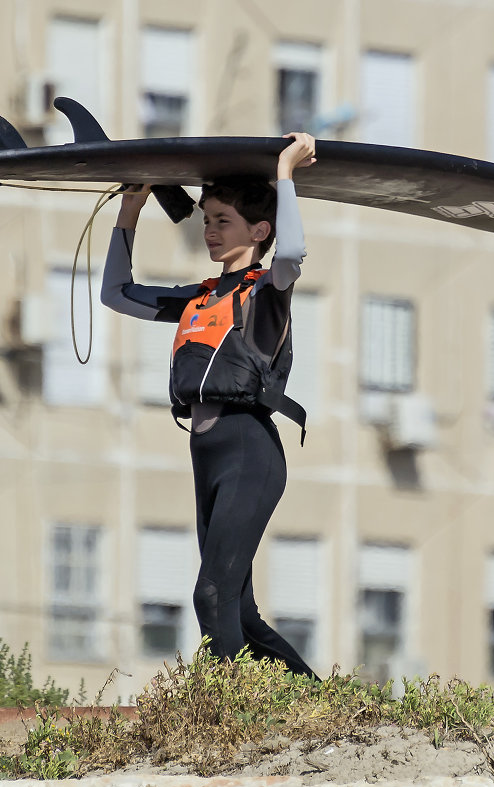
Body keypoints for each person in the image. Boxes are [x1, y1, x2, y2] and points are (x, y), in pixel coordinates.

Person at [100, 133, 319, 679]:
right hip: (208, 455)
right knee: (237, 611)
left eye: (223, 220)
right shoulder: (200, 297)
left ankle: (222, 715)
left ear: (258, 231)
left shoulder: (266, 290)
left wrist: (285, 174)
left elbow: (292, 253)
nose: (210, 231)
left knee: (211, 592)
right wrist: (130, 209)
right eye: (207, 220)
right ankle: (328, 705)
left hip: (249, 449)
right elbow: (116, 293)